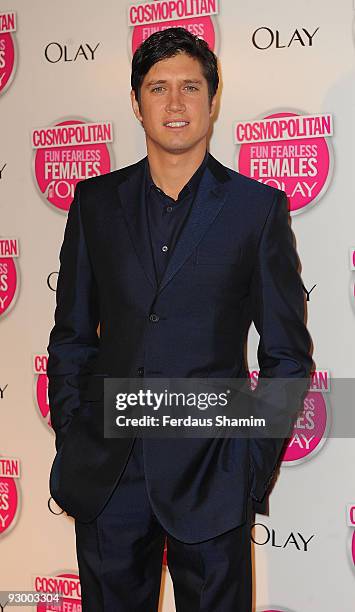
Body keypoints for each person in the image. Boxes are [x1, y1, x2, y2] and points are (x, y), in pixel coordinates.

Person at [47, 27, 312, 612]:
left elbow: (287, 354)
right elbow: (70, 338)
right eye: (157, 87)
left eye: (190, 87)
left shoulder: (256, 209)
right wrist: (73, 431)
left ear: (213, 100)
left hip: (213, 476)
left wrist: (249, 464)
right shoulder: (93, 204)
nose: (174, 103)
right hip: (107, 476)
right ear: (135, 101)